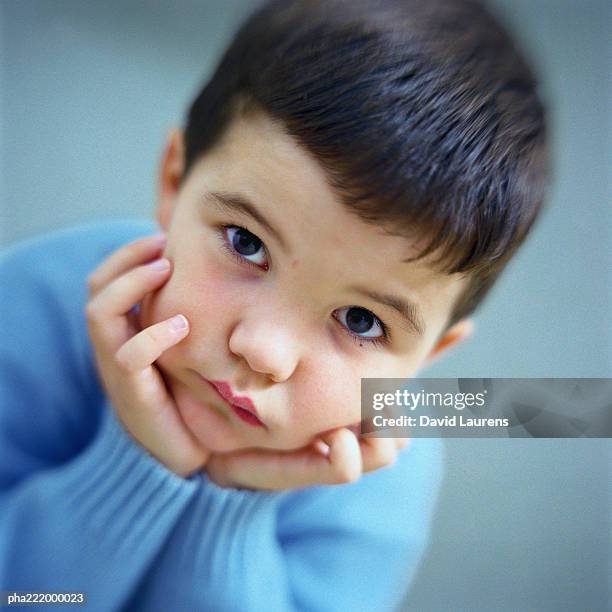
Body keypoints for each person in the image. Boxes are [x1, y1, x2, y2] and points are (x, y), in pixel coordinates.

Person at [0, 0, 549, 610]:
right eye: (246, 242)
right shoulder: (42, 300)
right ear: (175, 180)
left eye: (362, 321)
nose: (262, 351)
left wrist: (233, 500)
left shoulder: (384, 480)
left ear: (427, 356)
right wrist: (138, 457)